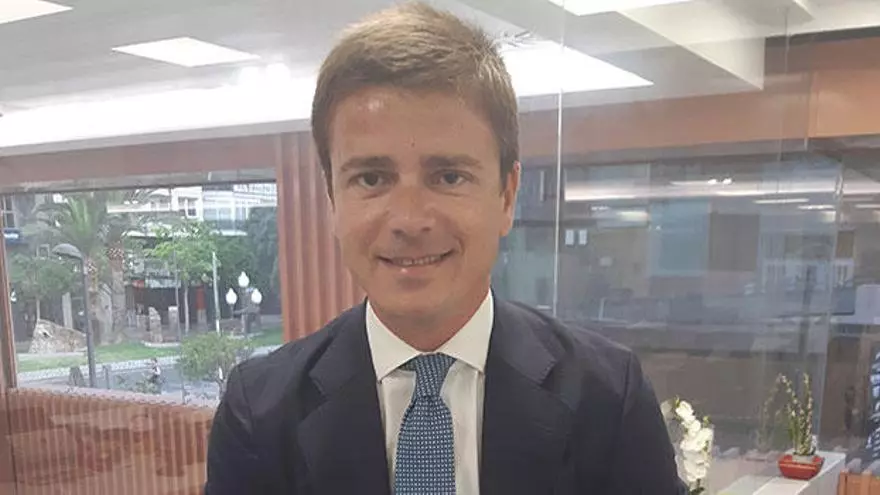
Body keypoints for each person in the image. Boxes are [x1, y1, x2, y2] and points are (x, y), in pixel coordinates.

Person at [205, 3, 685, 494]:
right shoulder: (259, 415)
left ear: (506, 196)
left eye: (449, 176)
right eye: (371, 178)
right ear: (332, 199)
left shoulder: (609, 399)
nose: (410, 220)